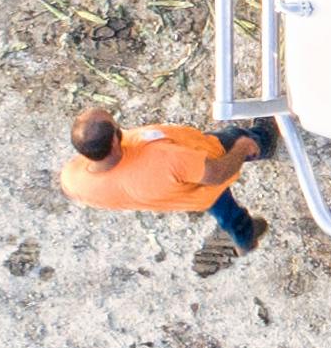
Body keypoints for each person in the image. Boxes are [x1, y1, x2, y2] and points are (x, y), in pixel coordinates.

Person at [59, 108, 275, 271]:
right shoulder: (164, 159)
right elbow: (217, 173)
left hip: (187, 195)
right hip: (205, 177)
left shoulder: (72, 178)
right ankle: (265, 139)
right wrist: (242, 147)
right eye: (117, 127)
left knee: (227, 215)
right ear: (115, 141)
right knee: (236, 139)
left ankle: (243, 241)